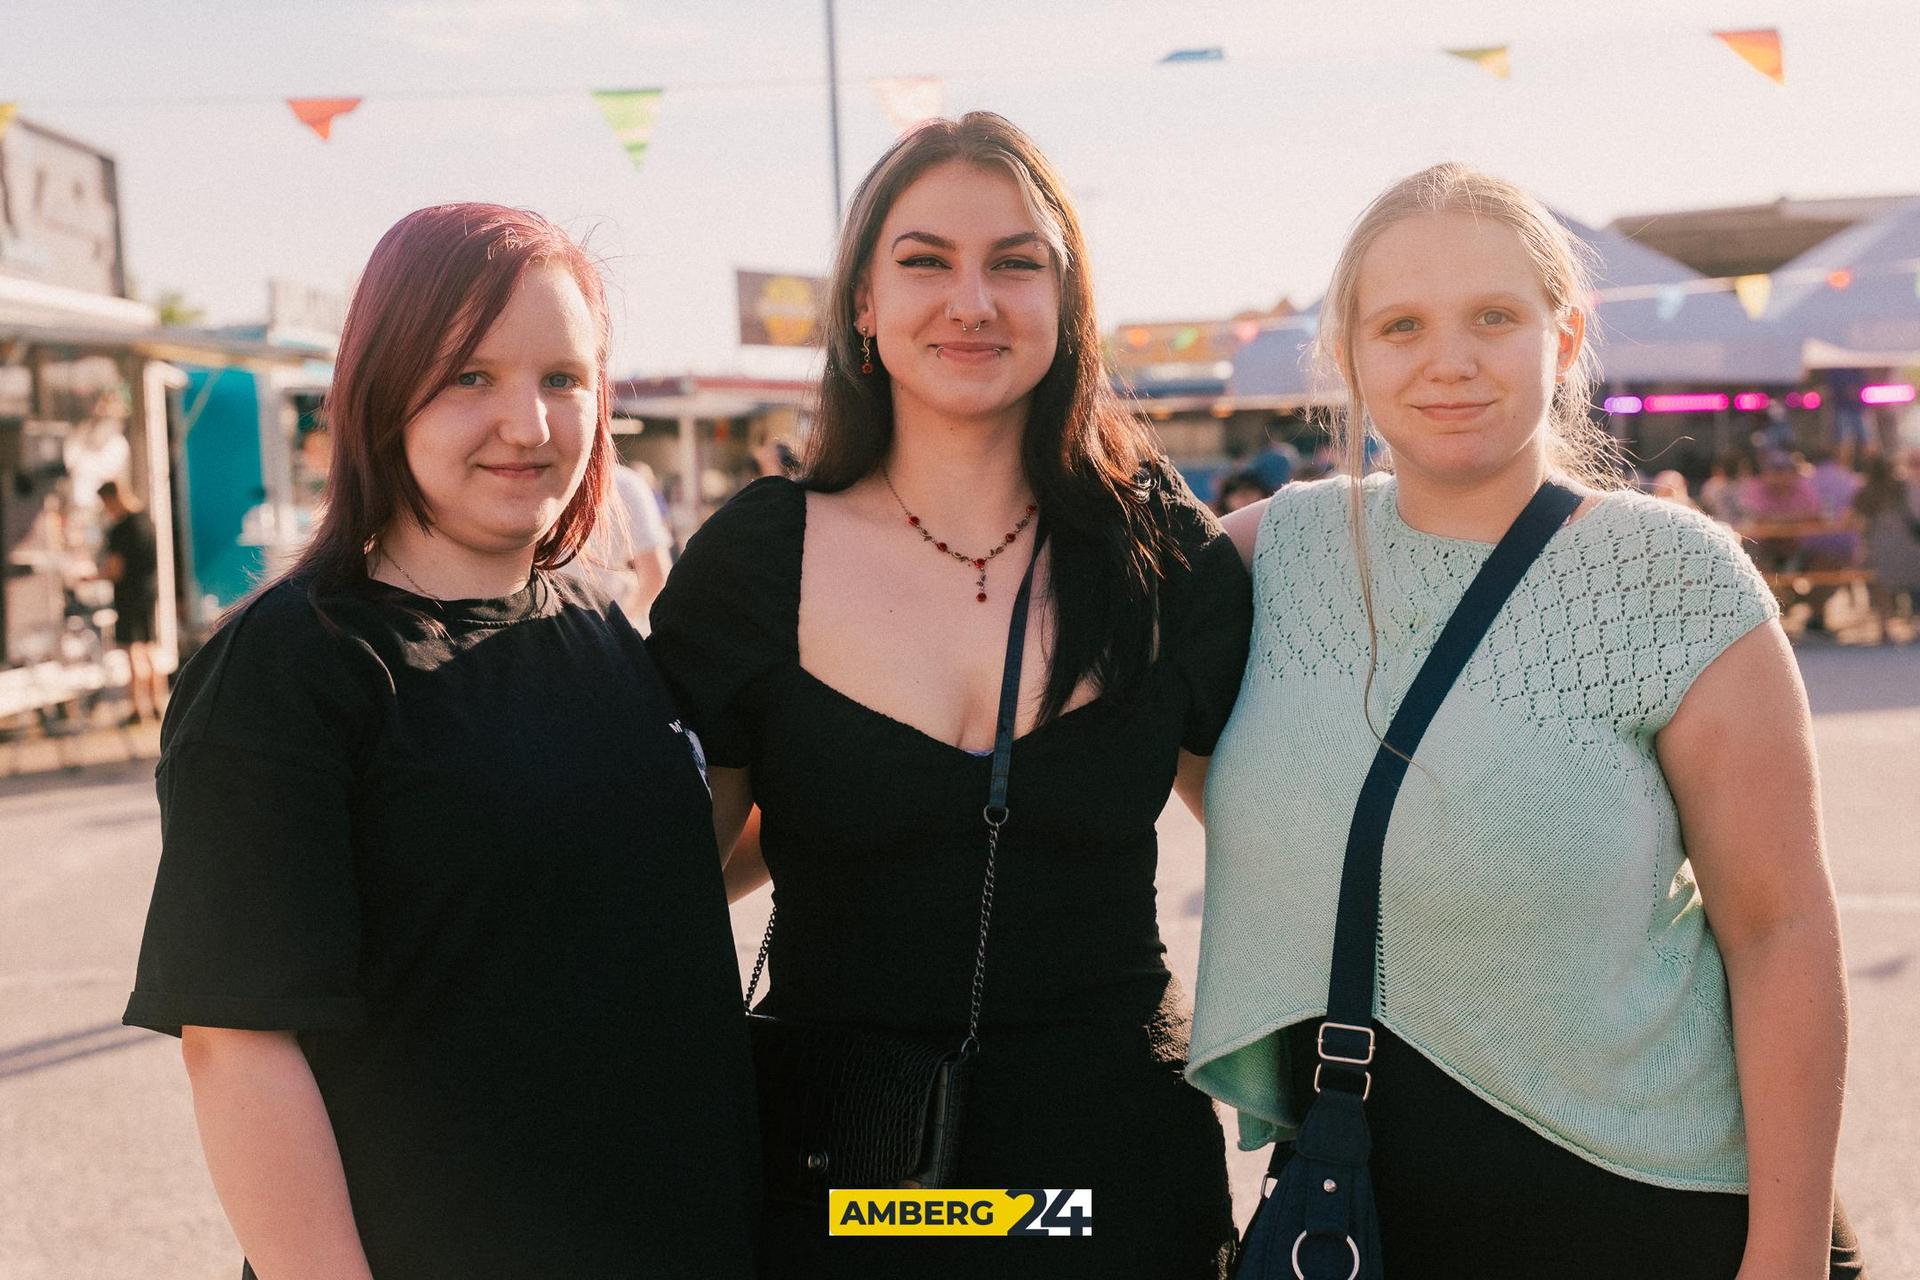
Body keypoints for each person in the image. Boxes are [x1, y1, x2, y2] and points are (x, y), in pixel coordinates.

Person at [1189, 164, 1863, 1277]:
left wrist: (1786, 1257)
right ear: (1348, 353)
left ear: (1566, 336)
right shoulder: (1264, 558)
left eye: (1494, 317)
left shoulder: (1677, 579)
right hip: (1364, 1214)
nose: (1450, 359)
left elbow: (1779, 928)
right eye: (1402, 325)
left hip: (1652, 1215)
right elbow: (1152, 740)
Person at [648, 113, 1250, 1279]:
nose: (971, 301)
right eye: (925, 260)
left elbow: (1288, 842)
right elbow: (669, 878)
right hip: (850, 1184)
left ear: (1067, 302)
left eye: (1015, 262)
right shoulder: (756, 564)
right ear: (863, 306)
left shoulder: (1164, 557)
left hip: (1109, 1194)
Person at [121, 204, 757, 1279]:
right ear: (382, 390)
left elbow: (627, 888)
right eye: (470, 375)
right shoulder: (292, 667)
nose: (529, 423)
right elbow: (238, 1045)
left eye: (564, 378)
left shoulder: (594, 623)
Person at [558, 459, 674, 623]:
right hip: (604, 619)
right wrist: (622, 622)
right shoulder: (627, 484)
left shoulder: (536, 480)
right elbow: (656, 575)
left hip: (544, 624)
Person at [95, 479, 162, 724]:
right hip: (148, 591)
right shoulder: (146, 520)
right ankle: (157, 703)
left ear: (111, 499)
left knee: (132, 650)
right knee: (149, 648)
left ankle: (137, 706)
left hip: (128, 594)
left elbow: (116, 570)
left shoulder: (120, 529)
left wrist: (91, 577)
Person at [1853, 455, 1920, 638]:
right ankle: (1916, 623)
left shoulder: (1865, 493)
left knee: (1881, 587)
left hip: (1879, 548)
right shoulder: (1905, 487)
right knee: (1915, 584)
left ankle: (1884, 627)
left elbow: (1853, 520)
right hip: (1910, 546)